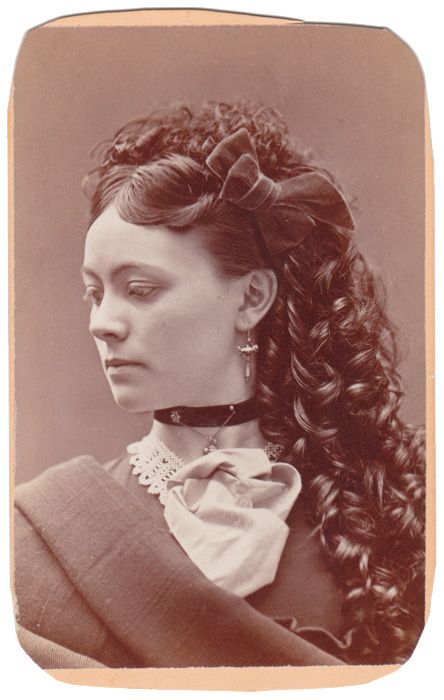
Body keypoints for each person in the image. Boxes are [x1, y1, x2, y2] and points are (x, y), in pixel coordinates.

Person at [14, 101, 425, 669]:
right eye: (94, 292)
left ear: (252, 297)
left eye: (138, 289)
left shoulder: (391, 505)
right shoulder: (39, 535)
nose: (101, 322)